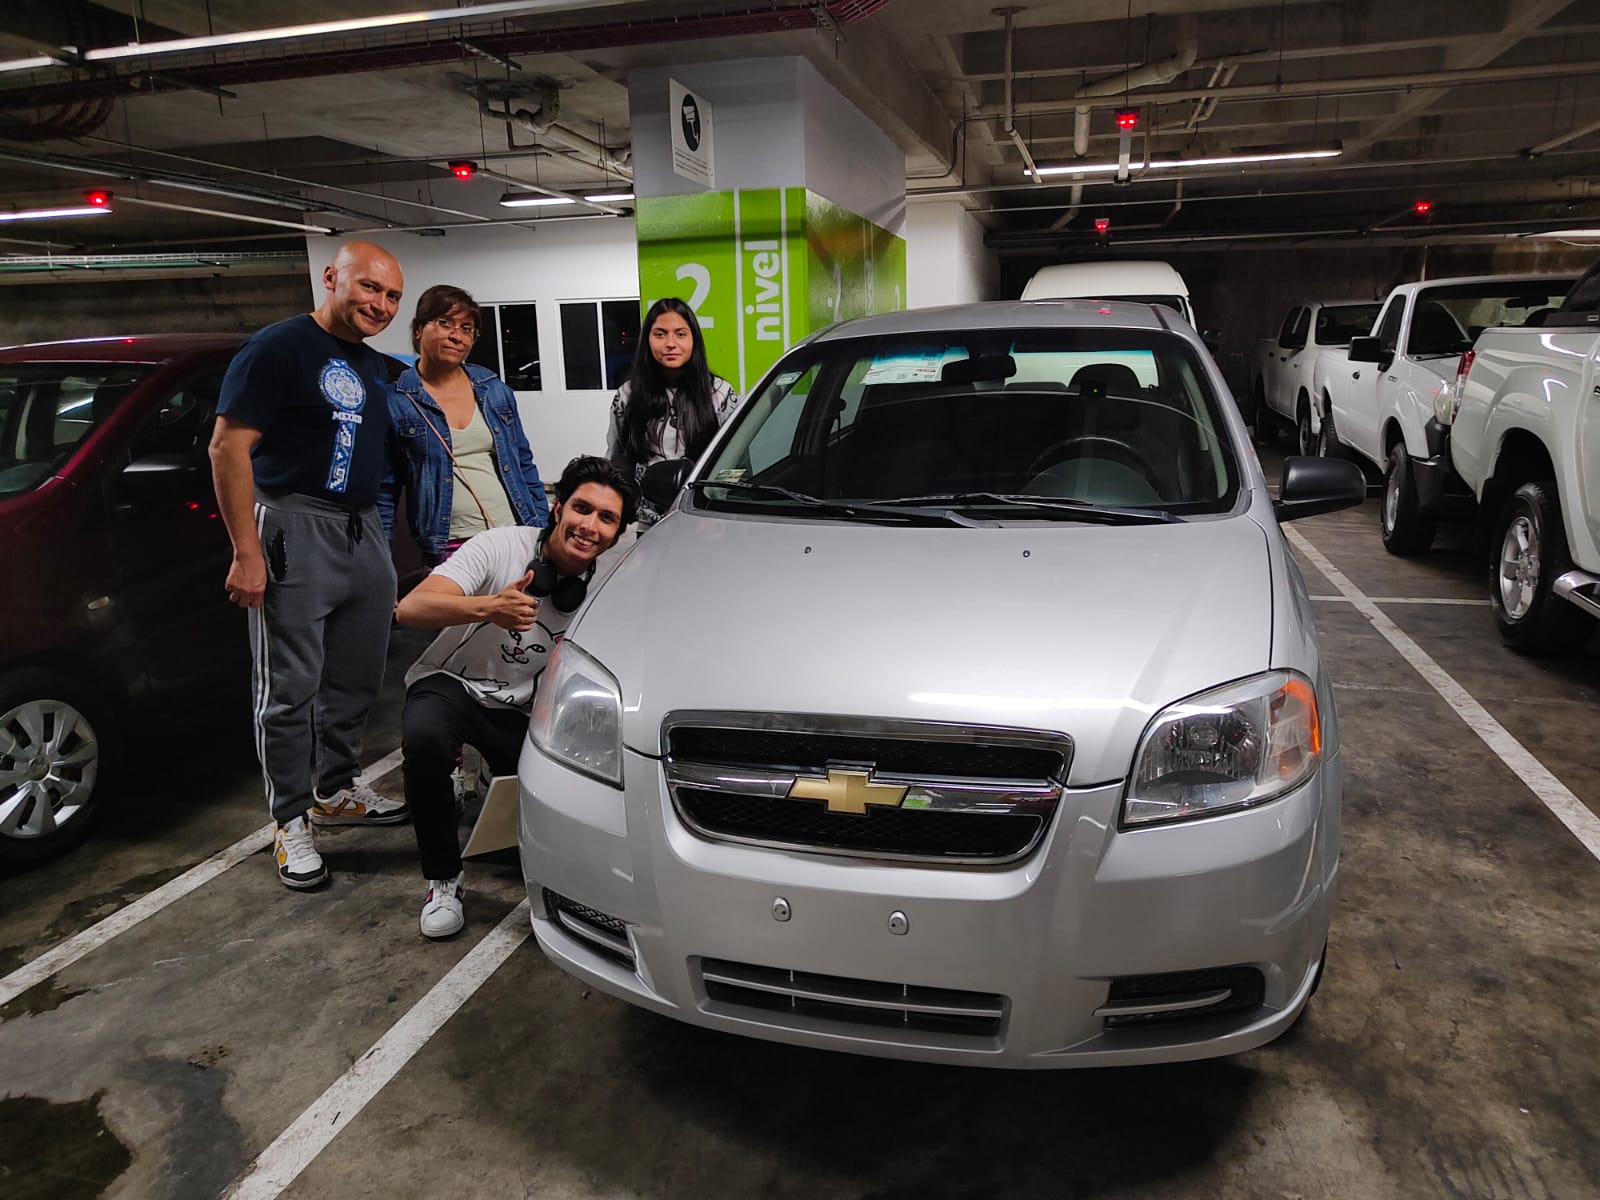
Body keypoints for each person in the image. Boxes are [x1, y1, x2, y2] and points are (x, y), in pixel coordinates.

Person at [210, 239, 411, 892]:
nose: (380, 304)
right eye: (369, 288)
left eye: (391, 297)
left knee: (356, 675)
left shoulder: (370, 364)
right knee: (289, 689)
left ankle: (339, 787)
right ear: (331, 277)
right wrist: (247, 552)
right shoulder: (277, 348)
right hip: (295, 525)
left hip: (362, 533)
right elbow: (227, 449)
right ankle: (291, 819)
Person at [393, 455, 638, 938]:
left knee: (539, 827)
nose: (589, 526)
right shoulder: (500, 546)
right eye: (581, 509)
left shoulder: (612, 582)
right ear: (557, 507)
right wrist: (488, 607)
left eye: (606, 518)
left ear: (617, 532)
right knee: (425, 737)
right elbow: (410, 608)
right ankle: (444, 880)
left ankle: (492, 776)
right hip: (454, 683)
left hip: (527, 711)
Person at [379, 284, 548, 563]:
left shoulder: (493, 389)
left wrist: (541, 527)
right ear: (419, 328)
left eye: (467, 328)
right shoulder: (396, 401)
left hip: (515, 532)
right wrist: (383, 561)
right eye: (445, 323)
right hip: (449, 546)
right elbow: (385, 491)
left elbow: (523, 463)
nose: (457, 336)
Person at [605, 297, 739, 526]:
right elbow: (617, 462)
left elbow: (736, 464)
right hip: (649, 526)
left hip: (706, 521)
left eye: (680, 334)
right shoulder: (627, 396)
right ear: (647, 340)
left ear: (693, 339)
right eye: (660, 334)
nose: (670, 343)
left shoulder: (720, 394)